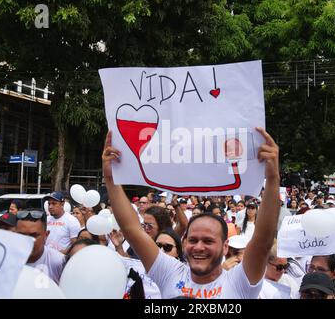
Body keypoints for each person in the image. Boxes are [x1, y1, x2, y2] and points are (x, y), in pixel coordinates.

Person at [102, 127, 280, 299]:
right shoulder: (169, 273)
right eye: (193, 240)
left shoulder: (239, 282)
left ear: (225, 246)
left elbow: (262, 241)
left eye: (208, 241)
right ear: (184, 242)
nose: (199, 247)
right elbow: (131, 229)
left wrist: (272, 179)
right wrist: (111, 179)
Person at [16, 209, 66, 284]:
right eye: (22, 235)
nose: (28, 241)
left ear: (46, 235)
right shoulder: (4, 262)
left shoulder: (60, 262)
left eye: (34, 235)